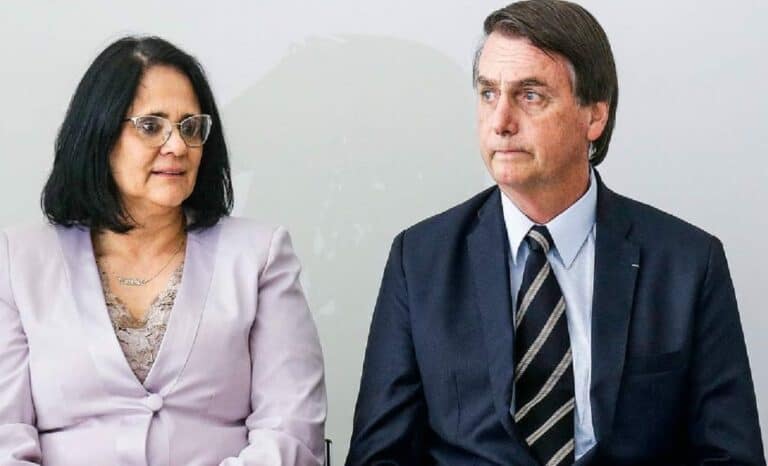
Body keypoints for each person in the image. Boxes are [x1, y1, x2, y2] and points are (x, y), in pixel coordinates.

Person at [346, 1, 765, 465]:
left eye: (530, 96)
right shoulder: (420, 259)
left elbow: (731, 456)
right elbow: (379, 456)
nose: (500, 122)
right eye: (488, 93)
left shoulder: (688, 263)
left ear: (594, 116)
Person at [0, 36, 326, 465]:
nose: (177, 146)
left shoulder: (259, 255)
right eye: (151, 126)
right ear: (99, 134)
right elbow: (5, 436)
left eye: (190, 127)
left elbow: (291, 429)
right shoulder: (18, 260)